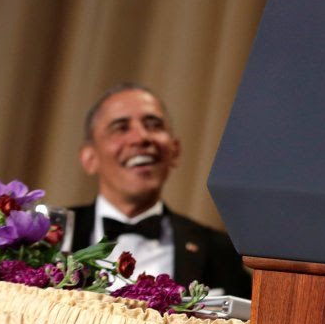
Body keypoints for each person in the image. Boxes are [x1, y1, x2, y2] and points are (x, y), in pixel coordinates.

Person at [66, 82, 252, 298]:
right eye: (121, 127)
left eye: (154, 125)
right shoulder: (49, 236)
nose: (142, 138)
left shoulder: (219, 251)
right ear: (89, 158)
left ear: (175, 151)